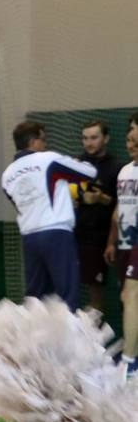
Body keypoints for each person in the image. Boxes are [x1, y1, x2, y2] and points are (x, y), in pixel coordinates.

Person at [0, 120, 98, 309]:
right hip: (57, 234)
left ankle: (35, 338)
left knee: (36, 297)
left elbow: (18, 204)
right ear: (34, 141)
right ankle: (67, 338)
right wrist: (76, 163)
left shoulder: (7, 175)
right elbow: (90, 172)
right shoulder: (48, 160)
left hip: (29, 238)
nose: (45, 145)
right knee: (67, 293)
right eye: (43, 140)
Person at [72, 119, 121, 313]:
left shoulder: (117, 168)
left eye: (94, 137)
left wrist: (102, 199)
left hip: (112, 237)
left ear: (106, 138)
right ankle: (89, 339)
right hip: (84, 237)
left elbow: (120, 204)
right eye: (85, 138)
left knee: (126, 291)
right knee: (93, 294)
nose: (89, 143)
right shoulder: (75, 165)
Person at [107, 114, 138, 377]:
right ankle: (131, 351)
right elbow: (119, 208)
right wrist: (111, 240)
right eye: (127, 139)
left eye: (134, 138)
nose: (130, 143)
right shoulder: (125, 171)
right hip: (126, 243)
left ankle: (130, 359)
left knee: (131, 296)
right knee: (127, 297)